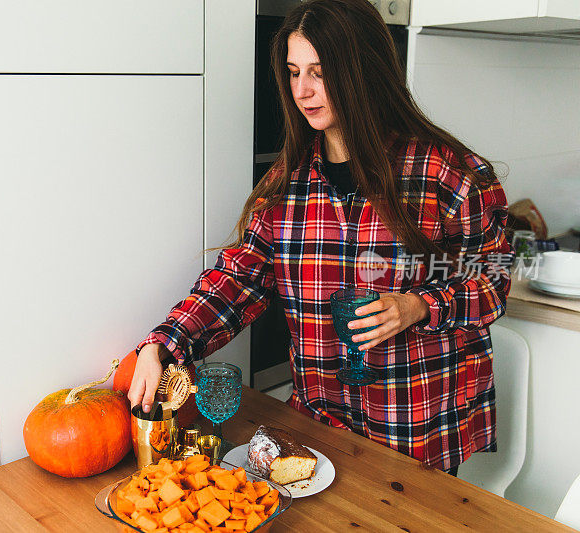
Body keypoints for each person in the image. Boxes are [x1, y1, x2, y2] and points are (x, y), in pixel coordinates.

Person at [128, 0, 511, 475]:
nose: (303, 90)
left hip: (415, 425)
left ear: (363, 70)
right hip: (320, 422)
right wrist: (166, 343)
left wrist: (418, 306)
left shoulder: (447, 173)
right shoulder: (287, 183)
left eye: (320, 72)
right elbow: (238, 277)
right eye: (293, 72)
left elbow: (492, 282)